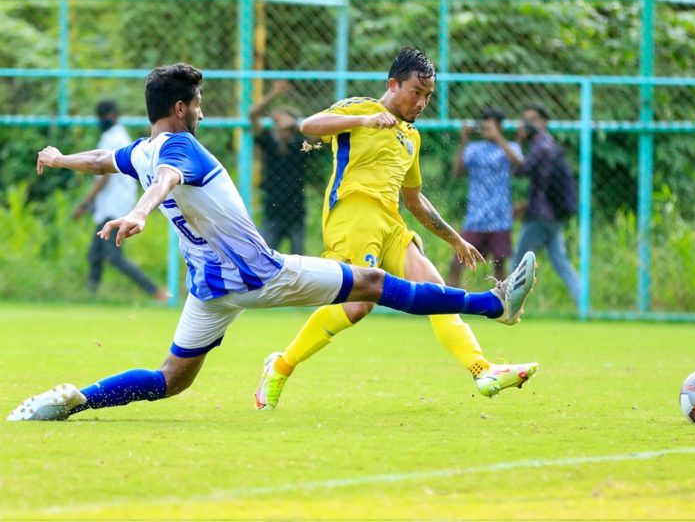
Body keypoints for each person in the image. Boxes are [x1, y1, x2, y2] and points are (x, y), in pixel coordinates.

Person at [8, 62, 537, 422]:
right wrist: (140, 213)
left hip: (208, 288)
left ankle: (77, 400)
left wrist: (59, 160)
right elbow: (167, 180)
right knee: (374, 284)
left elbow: (104, 160)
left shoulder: (143, 150)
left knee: (171, 380)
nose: (202, 109)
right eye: (197, 102)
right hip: (261, 274)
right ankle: (494, 304)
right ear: (179, 107)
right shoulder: (181, 149)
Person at [255, 48, 538, 411]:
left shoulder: (411, 138)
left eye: (428, 96)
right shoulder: (360, 107)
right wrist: (365, 121)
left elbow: (415, 200)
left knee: (437, 293)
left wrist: (455, 239)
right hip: (353, 216)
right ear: (393, 84)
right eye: (415, 93)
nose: (422, 103)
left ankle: (482, 370)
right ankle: (279, 367)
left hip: (392, 223)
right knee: (358, 307)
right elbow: (308, 127)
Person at [73, 100, 166, 301]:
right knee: (95, 255)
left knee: (114, 257)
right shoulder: (116, 136)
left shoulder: (113, 138)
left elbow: (103, 176)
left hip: (115, 206)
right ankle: (91, 297)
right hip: (111, 205)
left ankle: (157, 293)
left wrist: (85, 203)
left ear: (114, 115)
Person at [504, 104, 580, 305]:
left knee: (518, 262)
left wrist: (518, 142)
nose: (528, 124)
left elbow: (520, 171)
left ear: (544, 122)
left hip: (540, 217)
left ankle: (506, 305)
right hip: (554, 215)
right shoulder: (550, 145)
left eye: (533, 119)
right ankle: (584, 302)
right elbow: (543, 184)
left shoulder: (541, 146)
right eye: (525, 119)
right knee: (560, 262)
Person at [448, 108, 522, 286]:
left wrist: (498, 138)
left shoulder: (510, 146)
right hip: (476, 218)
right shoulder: (474, 149)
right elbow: (457, 172)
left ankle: (503, 306)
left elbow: (519, 163)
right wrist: (463, 139)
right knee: (457, 261)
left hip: (500, 218)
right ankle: (448, 302)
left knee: (500, 266)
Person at [249, 80, 318, 254]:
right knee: (265, 259)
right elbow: (253, 114)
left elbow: (319, 134)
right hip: (272, 213)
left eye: (283, 126)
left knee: (299, 262)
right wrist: (274, 93)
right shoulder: (269, 144)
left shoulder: (299, 145)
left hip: (296, 214)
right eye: (276, 124)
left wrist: (294, 124)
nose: (279, 129)